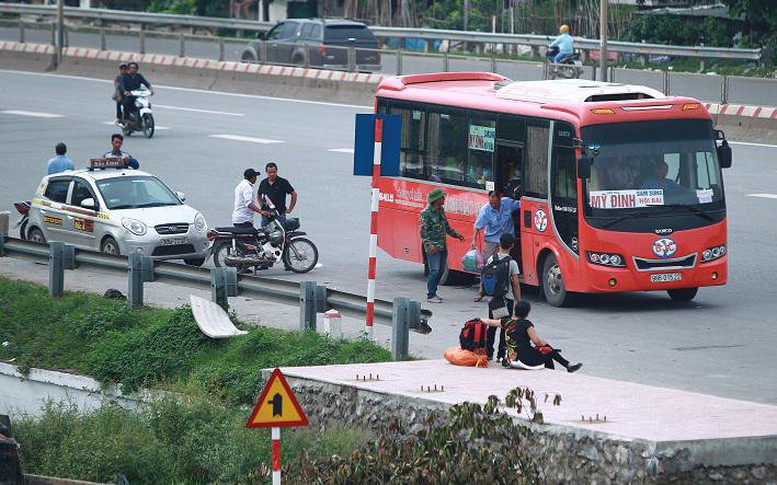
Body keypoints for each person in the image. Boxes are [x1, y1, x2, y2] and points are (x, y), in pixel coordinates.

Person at [481, 301, 583, 373]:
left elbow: (490, 321)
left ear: (515, 311)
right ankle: (559, 370)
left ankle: (567, 365)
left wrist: (478, 319)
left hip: (511, 359)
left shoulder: (506, 322)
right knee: (547, 352)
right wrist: (545, 344)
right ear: (527, 313)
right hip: (524, 360)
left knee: (544, 348)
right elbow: (536, 341)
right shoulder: (526, 324)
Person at [474, 232, 522, 361]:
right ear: (512, 245)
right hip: (507, 299)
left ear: (499, 244)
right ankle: (501, 355)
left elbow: (484, 278)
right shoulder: (512, 263)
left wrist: (480, 293)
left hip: (494, 299)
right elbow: (516, 284)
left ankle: (489, 352)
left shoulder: (491, 259)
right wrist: (519, 301)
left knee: (493, 325)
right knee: (505, 327)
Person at [420, 188, 465, 303]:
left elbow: (446, 226)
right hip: (433, 247)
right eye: (442, 197)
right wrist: (430, 245)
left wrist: (456, 235)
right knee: (434, 270)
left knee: (441, 270)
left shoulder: (441, 211)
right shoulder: (426, 213)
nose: (444, 199)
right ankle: (431, 295)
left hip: (442, 245)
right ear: (436, 200)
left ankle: (434, 292)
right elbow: (423, 232)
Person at [471, 190, 521, 257]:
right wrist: (474, 240)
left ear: (500, 199)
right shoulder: (485, 211)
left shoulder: (507, 202)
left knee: (503, 260)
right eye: (491, 203)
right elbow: (477, 227)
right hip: (492, 239)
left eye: (495, 203)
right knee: (487, 260)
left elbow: (522, 204)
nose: (493, 205)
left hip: (506, 239)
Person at [257, 162, 297, 227]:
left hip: (279, 214)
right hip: (266, 215)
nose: (272, 174)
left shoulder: (283, 182)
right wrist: (261, 206)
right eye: (269, 172)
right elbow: (259, 195)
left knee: (280, 235)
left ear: (277, 171)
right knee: (264, 234)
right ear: (266, 172)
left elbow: (294, 194)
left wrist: (290, 209)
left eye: (274, 172)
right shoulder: (263, 182)